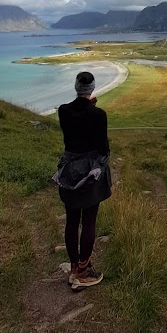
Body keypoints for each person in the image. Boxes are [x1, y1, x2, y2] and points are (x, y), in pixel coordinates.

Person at [54, 71, 112, 290]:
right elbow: (103, 147)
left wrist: (89, 107)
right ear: (93, 89)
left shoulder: (63, 111)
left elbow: (75, 120)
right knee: (88, 220)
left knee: (71, 220)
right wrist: (94, 109)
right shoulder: (99, 115)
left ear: (76, 87)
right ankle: (84, 271)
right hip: (89, 174)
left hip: (69, 172)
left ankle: (73, 270)